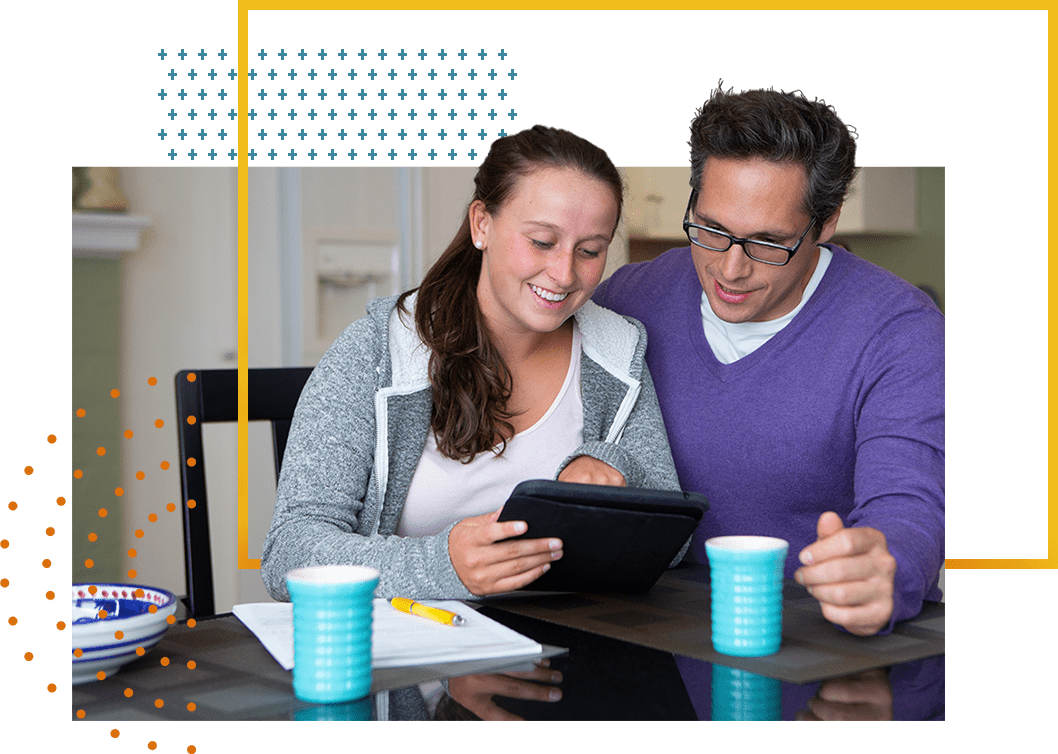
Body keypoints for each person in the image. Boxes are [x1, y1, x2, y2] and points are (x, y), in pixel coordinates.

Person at [262, 125, 681, 602]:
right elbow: (289, 553)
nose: (564, 274)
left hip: (556, 654)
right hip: (411, 660)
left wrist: (610, 465)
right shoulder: (379, 351)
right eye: (542, 242)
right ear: (482, 224)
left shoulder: (615, 353)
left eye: (590, 251)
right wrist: (445, 567)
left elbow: (673, 540)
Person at [593, 83, 944, 636]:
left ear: (825, 224)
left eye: (767, 242)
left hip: (814, 642)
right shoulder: (627, 300)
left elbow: (909, 505)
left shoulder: (899, 328)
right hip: (652, 640)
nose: (730, 270)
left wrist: (887, 566)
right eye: (711, 230)